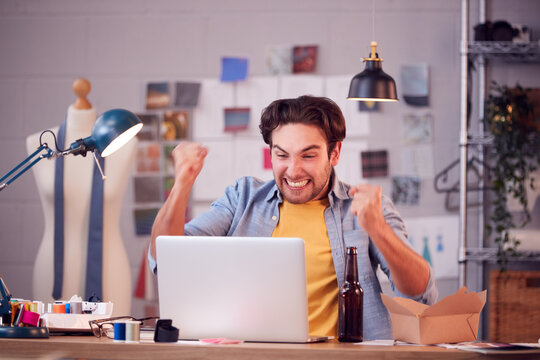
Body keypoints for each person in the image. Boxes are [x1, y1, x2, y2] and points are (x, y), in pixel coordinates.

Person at [149, 95, 438, 340]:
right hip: (250, 355)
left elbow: (421, 293)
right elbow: (166, 258)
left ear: (334, 153)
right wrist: (182, 184)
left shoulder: (367, 205)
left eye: (308, 156)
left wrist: (379, 230)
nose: (293, 170)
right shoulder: (242, 198)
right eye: (282, 155)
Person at [28, 78, 136, 315]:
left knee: (110, 348)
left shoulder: (124, 143)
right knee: (50, 350)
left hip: (110, 273)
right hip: (51, 273)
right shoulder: (40, 144)